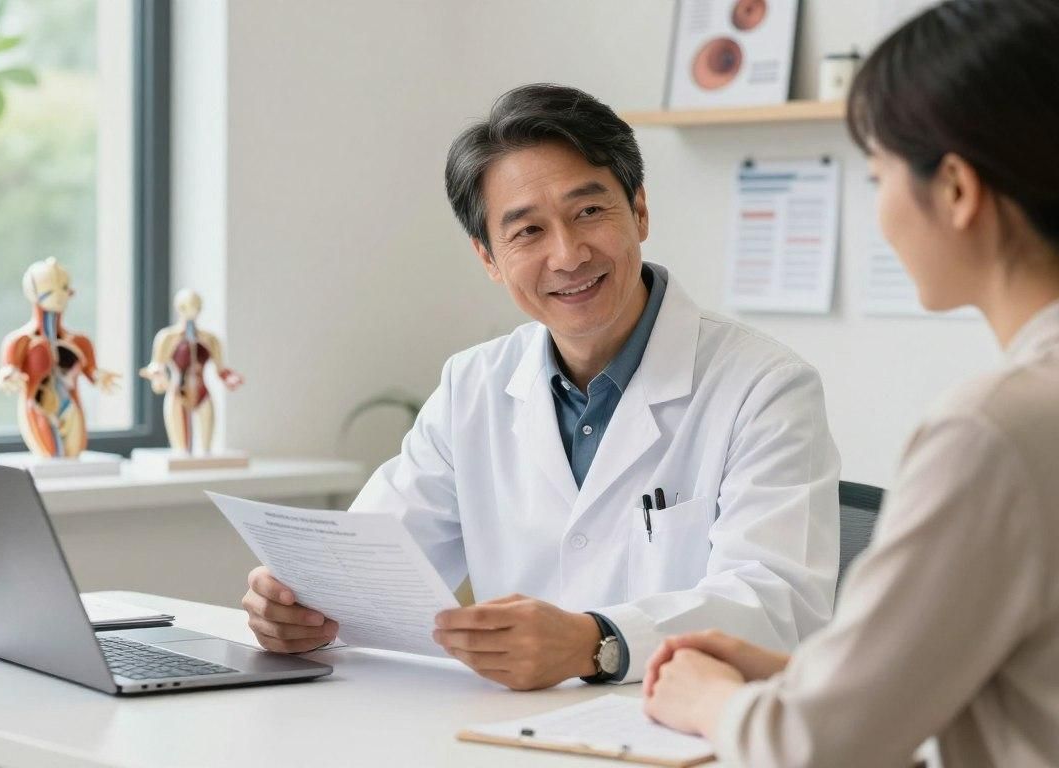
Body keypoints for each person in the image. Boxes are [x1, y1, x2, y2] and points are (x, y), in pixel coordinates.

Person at [642, 1, 1059, 765]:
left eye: (877, 177)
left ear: (957, 191)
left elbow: (819, 749)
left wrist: (711, 703)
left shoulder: (997, 431)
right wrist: (802, 679)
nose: (878, 211)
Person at [243, 83, 841, 690]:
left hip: (687, 733)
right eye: (527, 231)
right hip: (511, 729)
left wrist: (598, 642)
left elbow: (778, 605)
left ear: (639, 211)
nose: (567, 254)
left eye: (589, 211)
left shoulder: (763, 387)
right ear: (489, 257)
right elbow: (369, 567)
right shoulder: (471, 386)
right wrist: (302, 607)